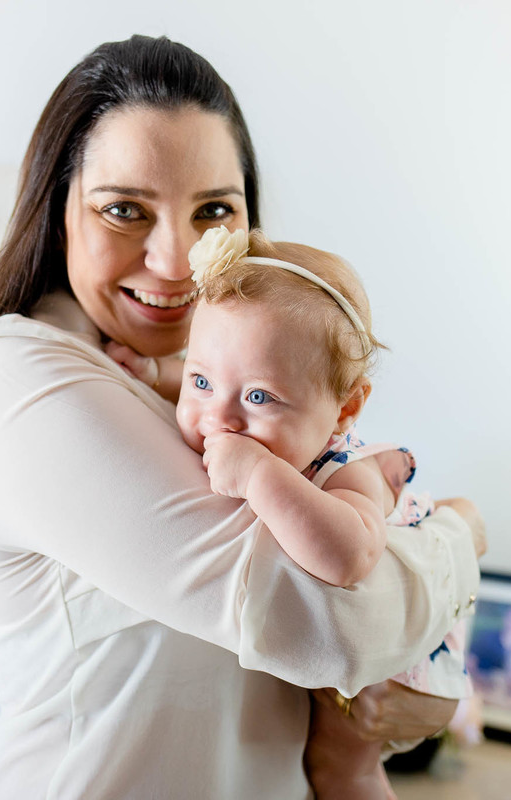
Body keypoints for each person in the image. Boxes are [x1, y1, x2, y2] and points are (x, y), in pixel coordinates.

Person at [0, 34, 484, 798]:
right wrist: (460, 537)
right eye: (124, 209)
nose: (177, 259)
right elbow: (337, 626)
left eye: (214, 210)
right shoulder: (16, 381)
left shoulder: (247, 392)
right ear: (57, 214)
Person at [112, 226, 471, 799]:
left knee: (339, 768)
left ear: (345, 409)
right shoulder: (226, 403)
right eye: (201, 381)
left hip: (402, 651)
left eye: (259, 398)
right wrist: (157, 376)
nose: (219, 418)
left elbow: (351, 557)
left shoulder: (345, 472)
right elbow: (224, 373)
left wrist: (259, 475)